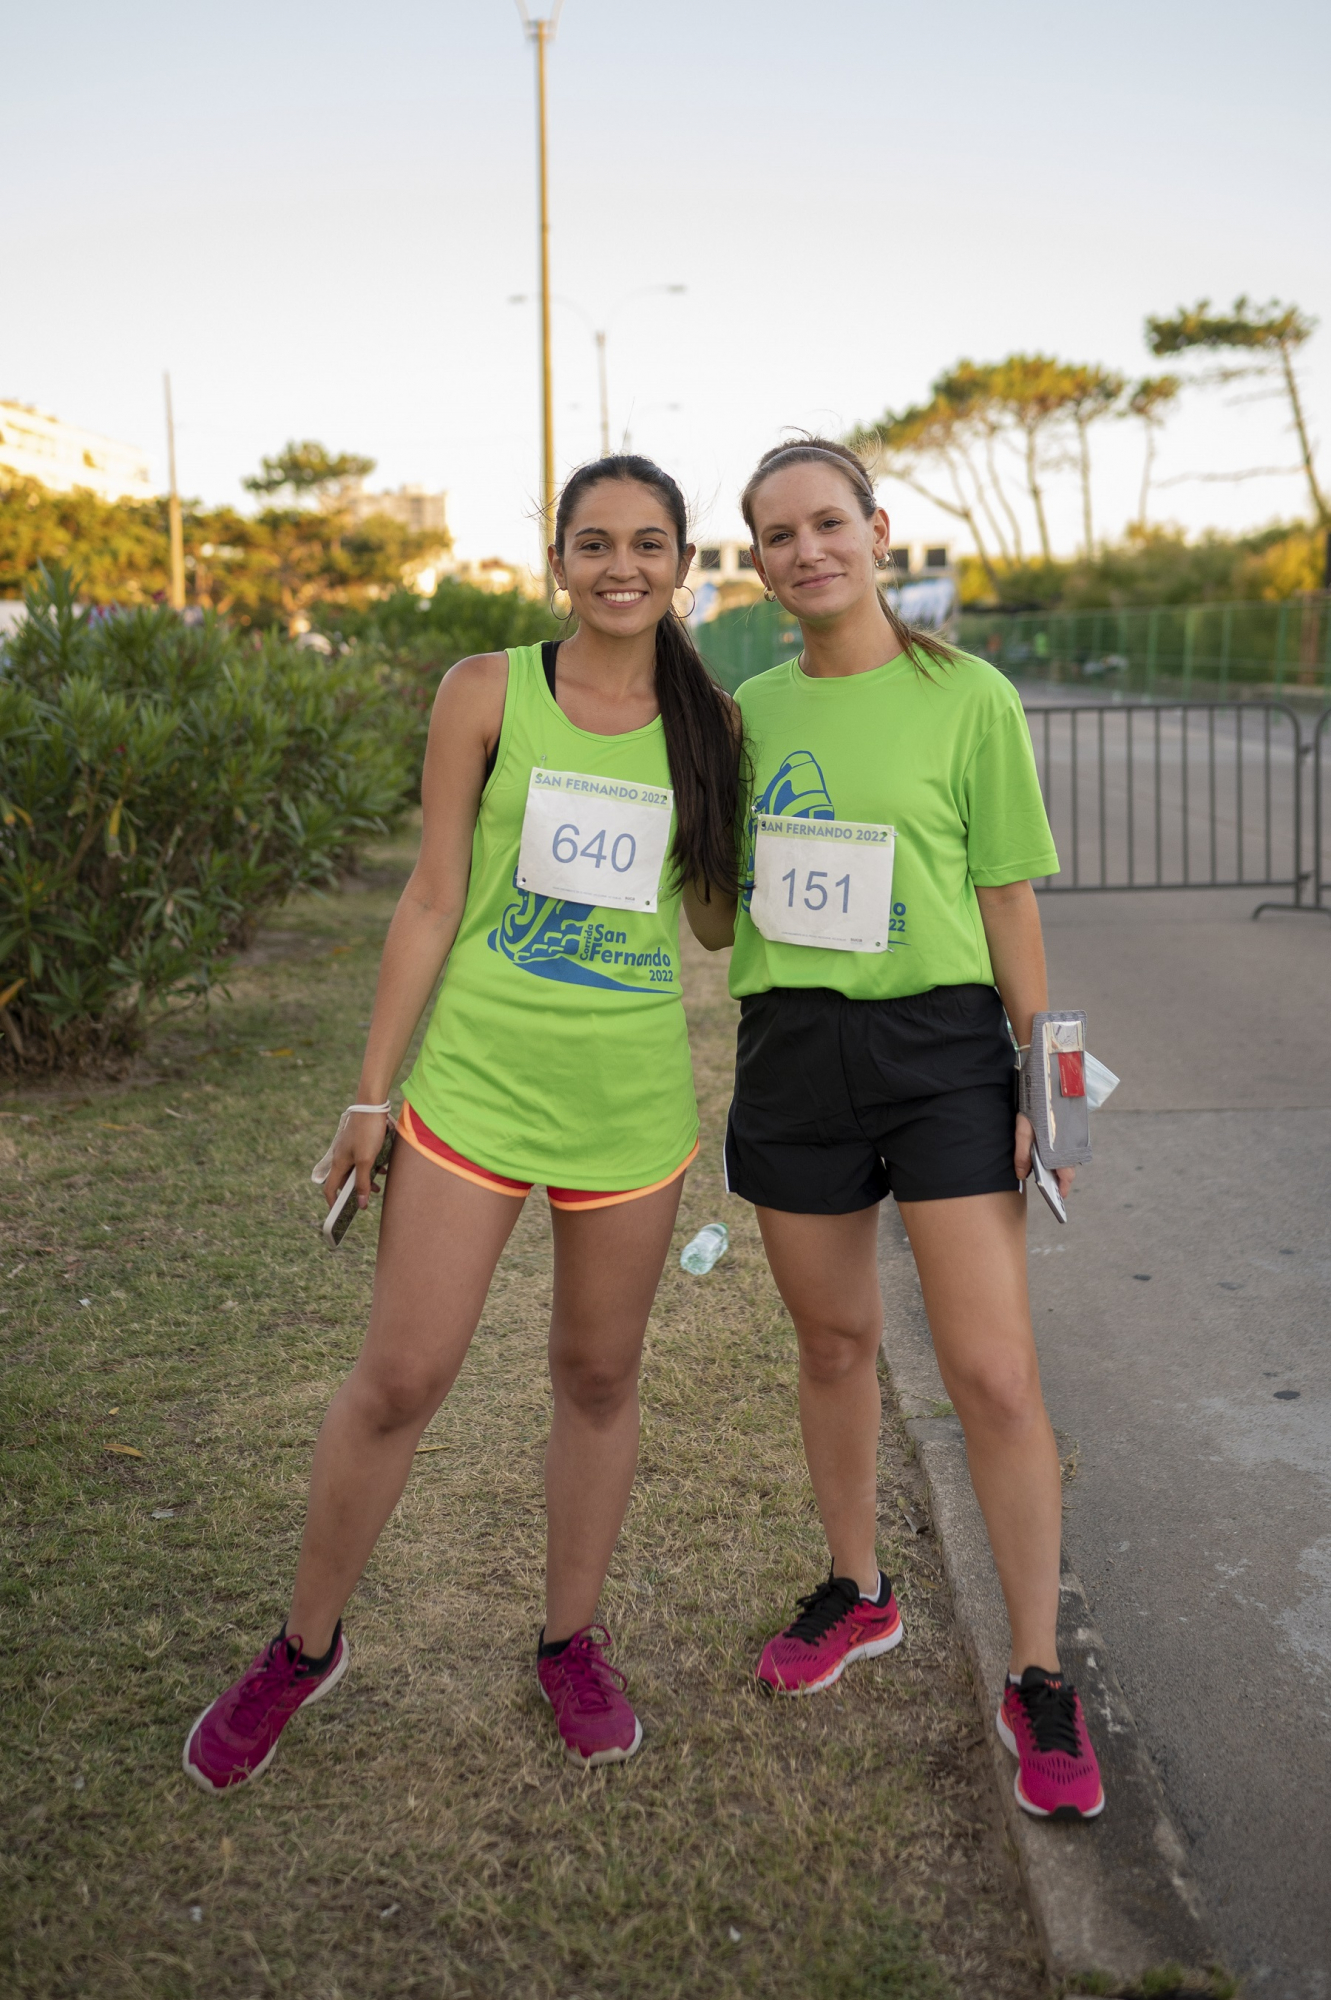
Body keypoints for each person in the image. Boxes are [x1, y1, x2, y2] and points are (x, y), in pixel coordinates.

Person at [183, 455, 740, 1788]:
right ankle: (302, 1650)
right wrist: (373, 1093)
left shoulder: (709, 725)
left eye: (649, 544)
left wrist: (756, 823)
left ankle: (568, 1643)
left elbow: (713, 922)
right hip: (475, 1091)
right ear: (557, 561)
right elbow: (433, 896)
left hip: (629, 1108)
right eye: (595, 543)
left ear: (681, 563)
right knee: (401, 1378)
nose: (622, 567)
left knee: (598, 1380)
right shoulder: (485, 691)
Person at [724, 438, 1104, 1821]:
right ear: (757, 564)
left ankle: (1037, 1671)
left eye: (830, 522)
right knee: (834, 1342)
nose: (808, 549)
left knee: (994, 1373)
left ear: (878, 532)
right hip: (795, 1049)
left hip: (945, 1050)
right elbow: (719, 903)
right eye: (779, 534)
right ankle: (859, 1587)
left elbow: (1008, 895)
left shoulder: (970, 698)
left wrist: (1035, 1077)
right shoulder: (743, 710)